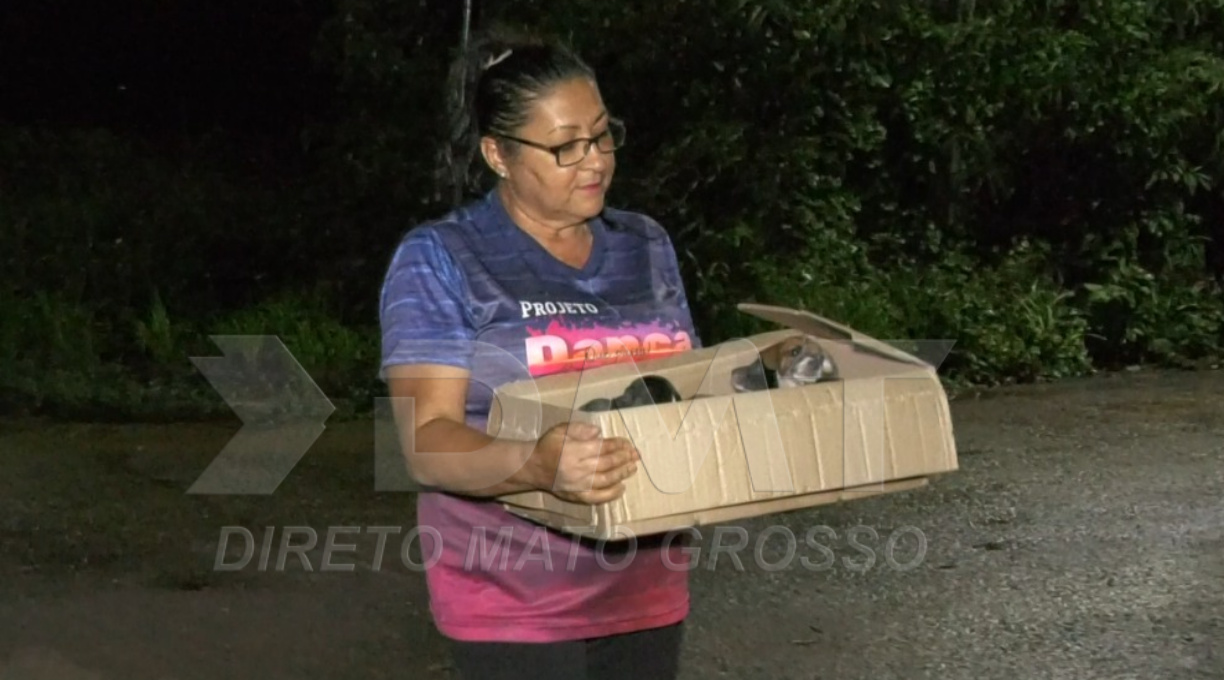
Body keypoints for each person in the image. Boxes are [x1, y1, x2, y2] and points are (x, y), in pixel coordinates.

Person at [377, 28, 703, 680]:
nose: (595, 161)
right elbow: (427, 443)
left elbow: (686, 391)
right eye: (565, 146)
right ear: (497, 154)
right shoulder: (442, 258)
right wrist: (538, 464)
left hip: (646, 594)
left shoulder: (645, 245)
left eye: (603, 135)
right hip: (515, 607)